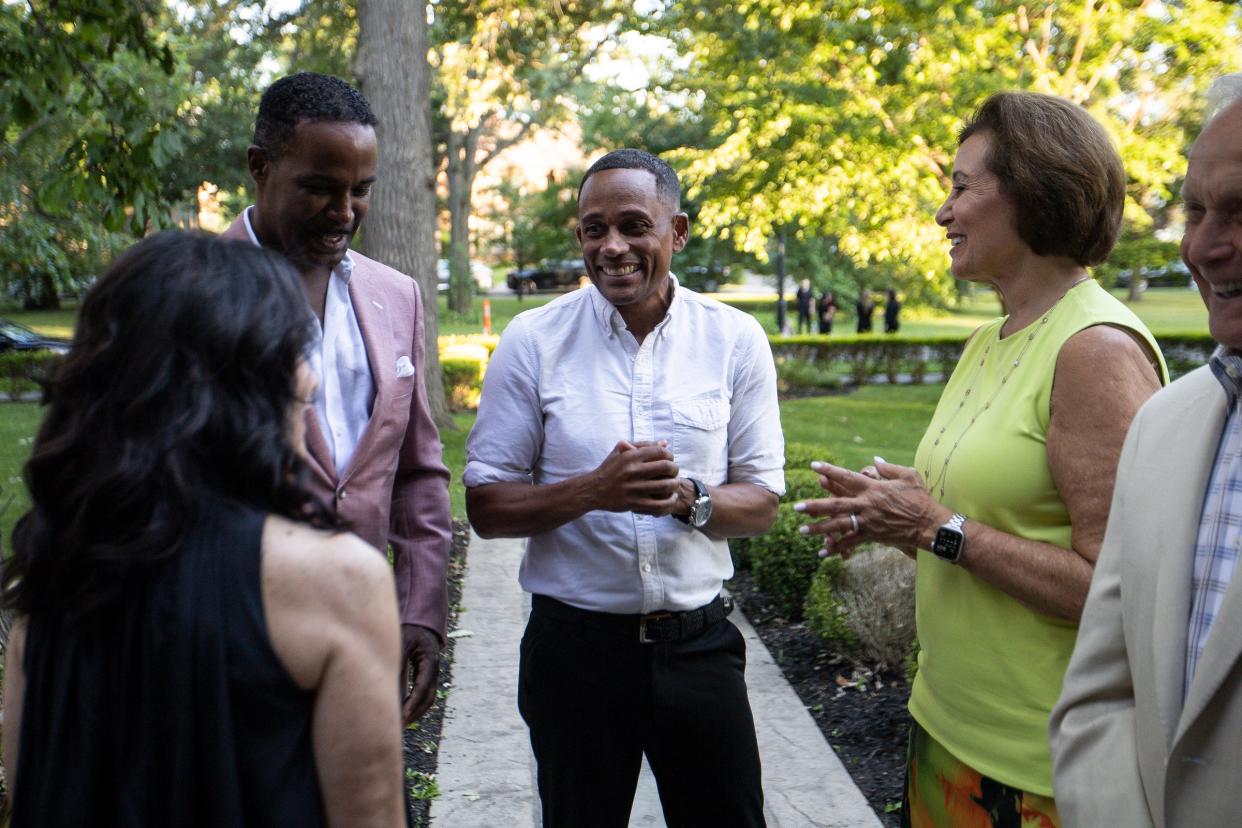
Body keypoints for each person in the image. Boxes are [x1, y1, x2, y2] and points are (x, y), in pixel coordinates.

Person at [796, 92, 1167, 826]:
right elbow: (987, 510)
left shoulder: (1094, 349)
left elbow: (1120, 592)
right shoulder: (990, 338)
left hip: (1039, 768)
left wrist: (937, 525)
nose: (943, 212)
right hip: (946, 729)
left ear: (1033, 192)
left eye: (962, 187)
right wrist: (898, 514)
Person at [1, 233, 405, 826]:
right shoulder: (336, 581)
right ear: (244, 380)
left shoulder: (47, 580)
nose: (311, 382)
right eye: (296, 352)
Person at [463, 149, 784, 828]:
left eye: (634, 226)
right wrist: (593, 490)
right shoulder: (532, 340)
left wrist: (690, 499)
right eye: (593, 229)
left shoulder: (734, 340)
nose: (612, 247)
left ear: (678, 231)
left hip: (698, 652)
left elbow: (761, 502)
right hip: (574, 657)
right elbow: (487, 507)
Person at [222, 72, 451, 724]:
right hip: (234, 630)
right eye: (320, 187)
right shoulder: (193, 291)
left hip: (364, 624)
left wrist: (420, 611)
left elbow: (417, 471)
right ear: (260, 168)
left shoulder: (396, 295)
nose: (345, 210)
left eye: (361, 190)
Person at [1049, 75, 1242, 828]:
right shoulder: (1167, 424)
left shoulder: (1095, 345)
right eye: (1195, 211)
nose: (1200, 246)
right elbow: (1101, 693)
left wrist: (946, 530)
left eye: (1240, 211)